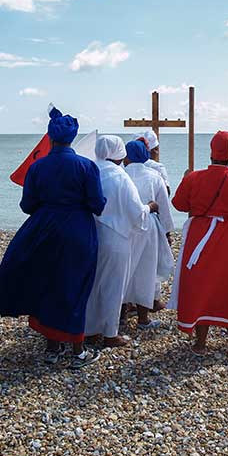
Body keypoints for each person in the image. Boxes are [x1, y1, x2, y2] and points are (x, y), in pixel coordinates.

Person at [0, 107, 105, 369]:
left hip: (43, 228)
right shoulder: (86, 166)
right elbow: (97, 204)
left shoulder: (38, 166)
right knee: (76, 286)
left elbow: (27, 205)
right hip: (77, 228)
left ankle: (52, 348)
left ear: (51, 138)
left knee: (46, 283)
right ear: (73, 138)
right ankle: (77, 351)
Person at [168, 131, 228, 356]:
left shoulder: (194, 178)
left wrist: (185, 177)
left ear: (211, 152)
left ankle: (200, 343)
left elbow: (179, 204)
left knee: (201, 288)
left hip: (199, 239)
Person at [84, 136, 157, 347]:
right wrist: (150, 207)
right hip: (115, 237)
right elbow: (136, 212)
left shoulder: (89, 170)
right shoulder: (120, 177)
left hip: (89, 234)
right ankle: (109, 333)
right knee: (114, 286)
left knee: (92, 284)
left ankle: (89, 330)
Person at [123, 140, 175, 328]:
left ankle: (121, 315)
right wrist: (168, 231)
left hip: (125, 226)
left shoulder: (122, 175)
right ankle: (143, 318)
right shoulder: (154, 176)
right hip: (149, 227)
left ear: (127, 157)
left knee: (124, 269)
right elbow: (163, 206)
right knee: (146, 270)